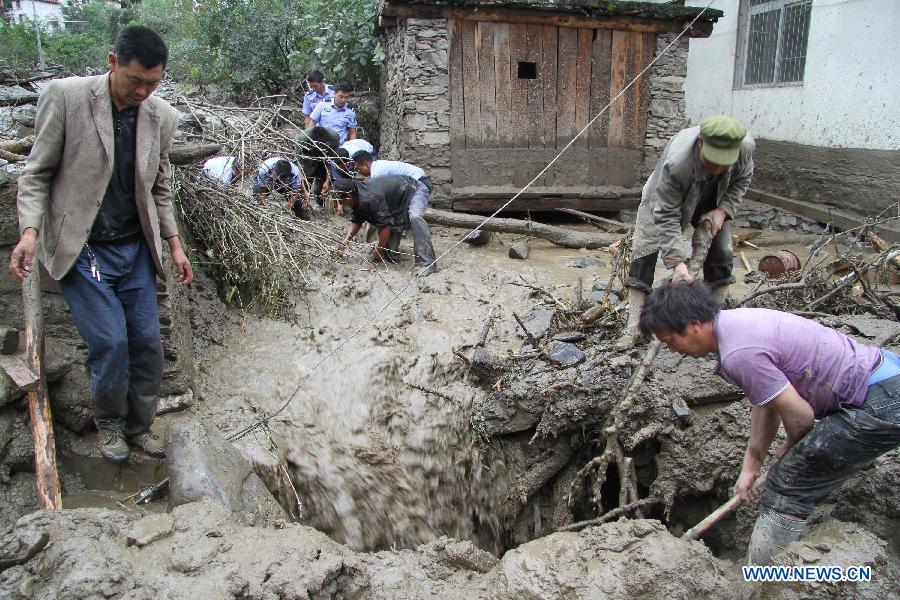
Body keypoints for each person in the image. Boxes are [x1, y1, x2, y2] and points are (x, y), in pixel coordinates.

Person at [8, 26, 193, 464]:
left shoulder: (161, 117)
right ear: (112, 62)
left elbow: (160, 187)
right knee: (110, 343)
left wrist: (175, 244)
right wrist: (30, 232)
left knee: (147, 342)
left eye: (153, 83)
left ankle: (138, 426)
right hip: (84, 247)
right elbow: (36, 174)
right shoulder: (67, 98)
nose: (143, 91)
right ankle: (109, 425)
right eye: (135, 80)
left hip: (134, 251)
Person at [639, 281, 900, 566]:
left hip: (881, 401)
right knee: (804, 458)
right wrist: (750, 468)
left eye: (670, 342)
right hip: (883, 377)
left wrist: (792, 445)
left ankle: (761, 578)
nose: (673, 351)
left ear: (692, 326)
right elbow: (767, 402)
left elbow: (801, 418)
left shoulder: (739, 353)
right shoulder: (735, 327)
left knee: (790, 480)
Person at [619, 115, 754, 347]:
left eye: (724, 162)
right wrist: (676, 264)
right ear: (701, 142)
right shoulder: (678, 163)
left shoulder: (744, 148)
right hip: (665, 199)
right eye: (713, 160)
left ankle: (715, 324)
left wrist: (723, 210)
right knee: (645, 251)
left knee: (721, 251)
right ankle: (634, 327)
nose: (718, 167)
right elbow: (666, 215)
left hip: (715, 197)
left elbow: (743, 179)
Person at [333, 177, 437, 275]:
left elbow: (386, 226)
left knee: (415, 217)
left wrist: (379, 249)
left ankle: (427, 263)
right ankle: (396, 258)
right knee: (389, 254)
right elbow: (358, 220)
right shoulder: (357, 197)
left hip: (415, 190)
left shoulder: (369, 198)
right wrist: (346, 241)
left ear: (349, 196)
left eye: (343, 202)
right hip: (395, 204)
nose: (343, 205)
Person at [296, 125, 340, 207]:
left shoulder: (334, 137)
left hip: (324, 159)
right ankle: (303, 203)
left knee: (324, 186)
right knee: (304, 181)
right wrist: (304, 189)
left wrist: (327, 180)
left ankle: (322, 204)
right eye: (318, 145)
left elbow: (330, 161)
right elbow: (300, 165)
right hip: (307, 159)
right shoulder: (302, 139)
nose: (320, 147)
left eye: (322, 145)